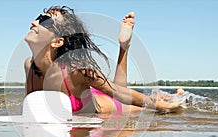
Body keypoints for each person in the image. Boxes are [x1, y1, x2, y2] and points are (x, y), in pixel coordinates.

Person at [24, 5, 183, 115]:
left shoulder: (77, 72)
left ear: (57, 41)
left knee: (143, 105)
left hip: (109, 107)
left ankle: (124, 47)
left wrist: (167, 108)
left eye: (45, 21)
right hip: (90, 94)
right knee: (113, 88)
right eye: (38, 18)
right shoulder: (29, 66)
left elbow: (120, 93)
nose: (34, 22)